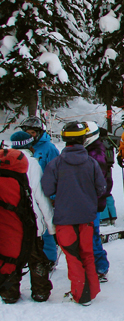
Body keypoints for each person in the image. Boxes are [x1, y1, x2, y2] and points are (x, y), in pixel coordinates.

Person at [41, 122, 106, 305]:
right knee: (86, 254)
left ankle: (82, 294)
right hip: (86, 217)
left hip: (65, 218)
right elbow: (101, 187)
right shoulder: (91, 163)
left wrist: (60, 194)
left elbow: (47, 189)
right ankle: (90, 291)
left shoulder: (56, 164)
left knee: (73, 256)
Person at [1, 136, 54, 303]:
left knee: (10, 256)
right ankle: (40, 291)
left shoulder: (3, 164)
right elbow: (40, 196)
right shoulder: (31, 163)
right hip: (32, 222)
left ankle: (9, 292)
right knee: (36, 256)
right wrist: (51, 225)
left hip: (8, 222)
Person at [18, 116, 60, 265]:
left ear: (39, 132)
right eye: (27, 133)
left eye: (33, 133)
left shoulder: (49, 148)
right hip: (25, 191)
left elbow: (56, 171)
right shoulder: (22, 148)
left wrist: (54, 194)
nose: (30, 136)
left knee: (45, 221)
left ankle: (49, 257)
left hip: (44, 190)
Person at [83, 122, 112, 283]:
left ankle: (100, 266)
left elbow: (100, 180)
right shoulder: (87, 150)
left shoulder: (97, 152)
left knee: (92, 233)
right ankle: (93, 264)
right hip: (85, 200)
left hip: (93, 200)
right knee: (87, 233)